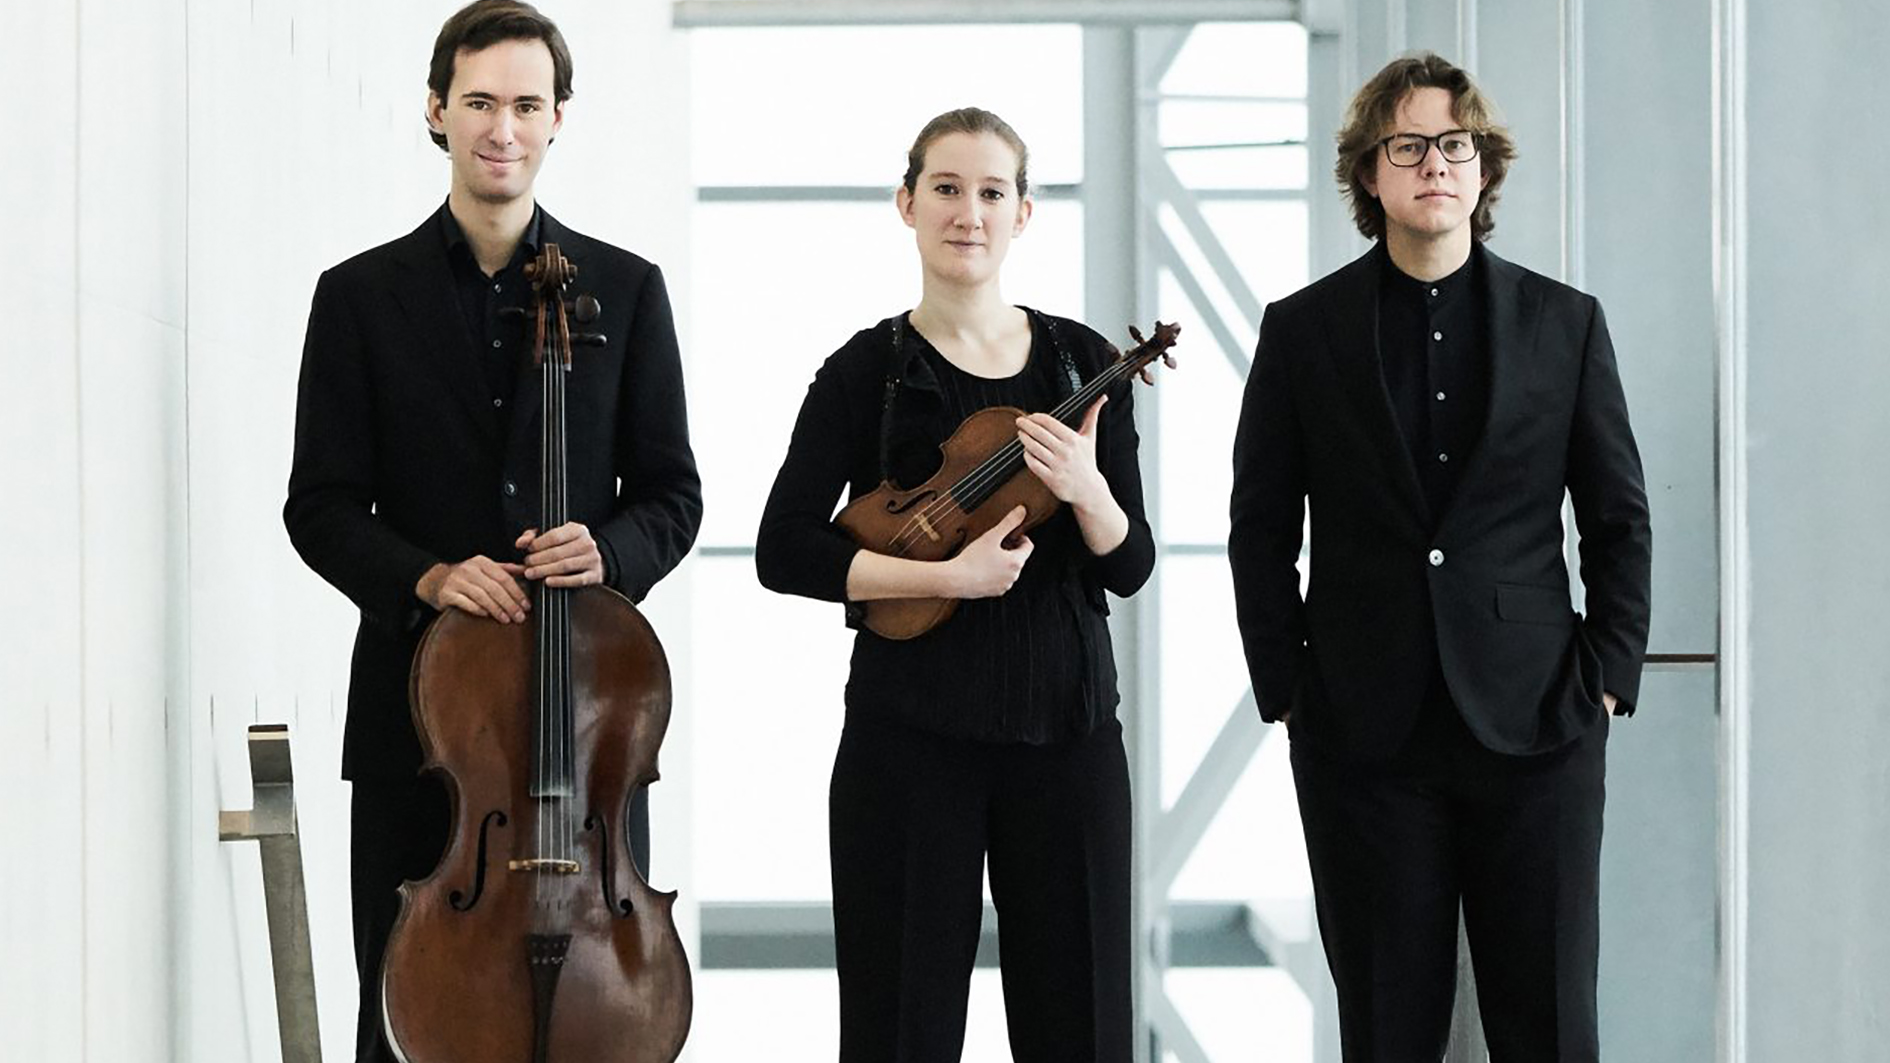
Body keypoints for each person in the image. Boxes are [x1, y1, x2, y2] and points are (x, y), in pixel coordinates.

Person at [282, 3, 700, 1059]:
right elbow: (319, 505)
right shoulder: (358, 298)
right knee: (406, 1029)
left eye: (525, 104)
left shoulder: (629, 291)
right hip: (421, 739)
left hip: (581, 748)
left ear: (560, 118)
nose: (501, 127)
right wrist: (427, 577)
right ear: (436, 111)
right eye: (478, 103)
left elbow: (672, 495)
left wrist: (610, 553)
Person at [1229, 53, 1651, 1061]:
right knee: (1386, 1030)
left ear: (1484, 167)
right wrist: (1287, 686)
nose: (1436, 164)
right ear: (1370, 176)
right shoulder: (1303, 331)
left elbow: (1619, 516)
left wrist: (1608, 682)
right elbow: (1259, 525)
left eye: (1454, 145)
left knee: (1549, 1025)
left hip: (1540, 724)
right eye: (1408, 145)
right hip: (1363, 735)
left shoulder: (1566, 322)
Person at [755, 107, 1154, 1063]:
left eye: (990, 192)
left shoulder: (1086, 363)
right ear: (906, 203)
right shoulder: (864, 371)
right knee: (900, 1030)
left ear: (1024, 214)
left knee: (1084, 1028)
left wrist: (1089, 491)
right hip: (908, 744)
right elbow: (785, 548)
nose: (967, 212)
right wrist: (952, 576)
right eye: (945, 188)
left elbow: (1129, 564)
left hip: (1068, 735)